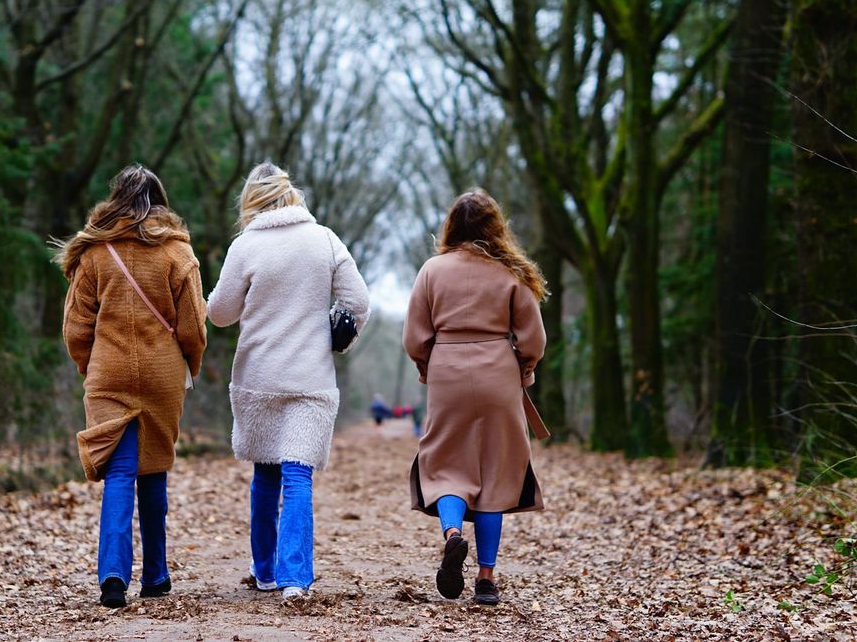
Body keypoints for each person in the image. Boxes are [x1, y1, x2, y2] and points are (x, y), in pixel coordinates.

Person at [207, 162, 370, 600]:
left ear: (251, 201)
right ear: (291, 194)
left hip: (260, 376)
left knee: (265, 474)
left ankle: (264, 571)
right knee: (298, 476)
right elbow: (358, 301)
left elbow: (221, 314)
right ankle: (294, 579)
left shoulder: (245, 246)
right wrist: (337, 337)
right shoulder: (325, 239)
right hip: (311, 378)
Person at [57, 165, 208, 609]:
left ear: (116, 198)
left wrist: (93, 369)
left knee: (119, 473)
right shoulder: (178, 253)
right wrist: (189, 365)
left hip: (109, 371)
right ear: (160, 201)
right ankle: (157, 575)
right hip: (162, 374)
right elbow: (193, 328)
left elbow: (75, 329)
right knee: (154, 469)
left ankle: (113, 578)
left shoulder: (94, 253)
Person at [402, 188, 549, 606]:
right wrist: (524, 367)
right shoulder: (510, 273)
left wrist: (428, 366)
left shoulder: (432, 270)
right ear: (495, 227)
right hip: (498, 373)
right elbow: (533, 339)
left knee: (446, 464)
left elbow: (414, 336)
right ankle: (486, 578)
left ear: (452, 225)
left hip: (448, 369)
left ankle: (452, 534)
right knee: (496, 474)